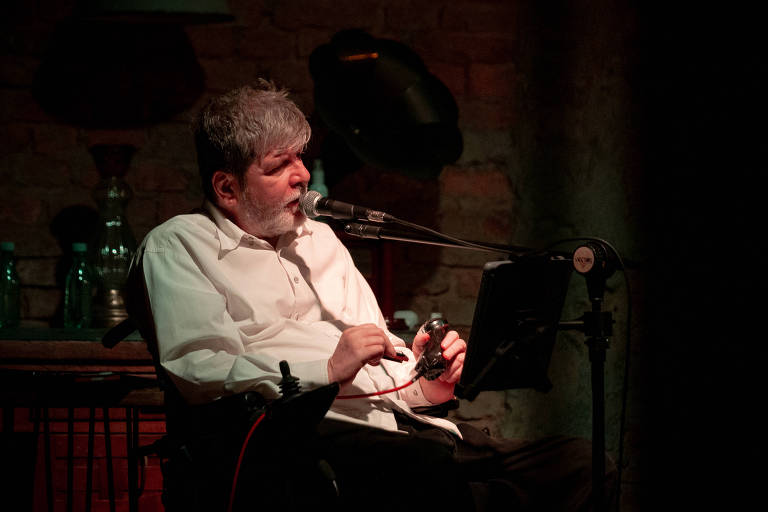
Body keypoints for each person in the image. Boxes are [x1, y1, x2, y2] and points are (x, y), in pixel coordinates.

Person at [131, 81, 616, 512]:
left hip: (405, 429)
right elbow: (199, 368)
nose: (301, 175)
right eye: (279, 165)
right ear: (227, 188)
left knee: (582, 464)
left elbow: (388, 369)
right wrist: (322, 371)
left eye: (301, 156)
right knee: (426, 470)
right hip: (301, 445)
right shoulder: (179, 245)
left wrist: (428, 381)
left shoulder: (319, 240)